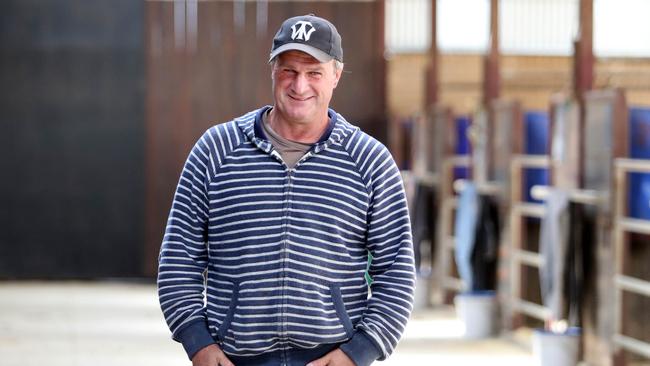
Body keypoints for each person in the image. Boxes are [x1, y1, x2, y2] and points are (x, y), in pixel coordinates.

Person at [157, 14, 415, 366]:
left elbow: (396, 271)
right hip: (233, 358)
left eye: (314, 73)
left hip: (330, 358)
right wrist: (198, 343)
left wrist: (360, 352)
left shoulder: (369, 161)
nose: (300, 86)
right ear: (273, 70)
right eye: (289, 71)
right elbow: (178, 260)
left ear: (336, 75)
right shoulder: (216, 150)